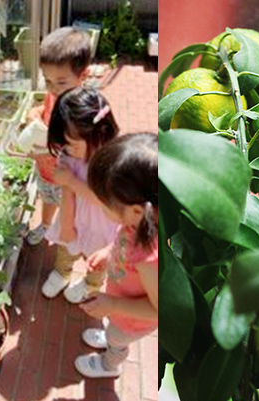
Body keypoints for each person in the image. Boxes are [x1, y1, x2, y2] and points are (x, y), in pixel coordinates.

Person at [73, 132, 158, 379]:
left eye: (105, 204)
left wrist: (112, 305)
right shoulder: (138, 223)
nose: (102, 208)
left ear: (135, 210)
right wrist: (108, 252)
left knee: (117, 339)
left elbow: (157, 310)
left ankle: (110, 365)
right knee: (113, 330)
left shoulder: (150, 257)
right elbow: (123, 241)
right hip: (119, 311)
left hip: (131, 321)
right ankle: (110, 337)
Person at [41, 86, 120, 300]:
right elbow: (67, 190)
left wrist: (70, 181)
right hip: (72, 214)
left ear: (99, 134)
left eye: (73, 145)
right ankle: (62, 272)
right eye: (64, 144)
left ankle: (92, 284)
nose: (67, 150)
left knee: (96, 260)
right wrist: (67, 227)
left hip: (102, 225)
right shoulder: (69, 154)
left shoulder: (113, 162)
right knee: (65, 247)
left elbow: (105, 202)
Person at [25, 27, 91, 246]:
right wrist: (35, 114)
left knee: (69, 207)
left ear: (83, 76)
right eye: (48, 80)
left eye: (61, 82)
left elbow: (79, 148)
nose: (53, 88)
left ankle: (68, 236)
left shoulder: (82, 110)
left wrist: (44, 149)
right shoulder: (54, 94)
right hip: (46, 169)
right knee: (48, 198)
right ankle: (44, 225)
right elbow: (44, 110)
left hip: (68, 175)